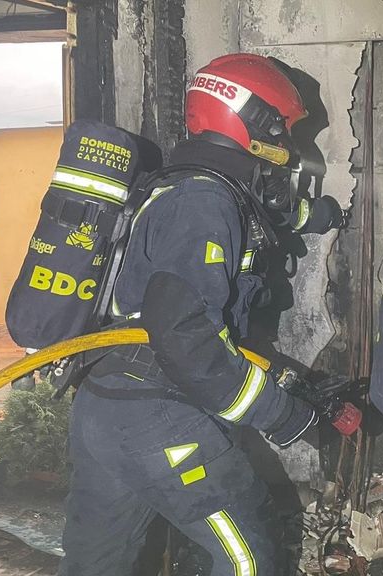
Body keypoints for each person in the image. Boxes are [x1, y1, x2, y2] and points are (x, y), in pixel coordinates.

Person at [59, 53, 345, 576]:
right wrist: (282, 415)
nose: (288, 144)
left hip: (106, 403)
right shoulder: (204, 202)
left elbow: (270, 216)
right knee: (251, 561)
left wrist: (322, 216)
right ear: (253, 122)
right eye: (283, 129)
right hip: (157, 417)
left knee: (95, 566)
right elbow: (186, 337)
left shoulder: (186, 186)